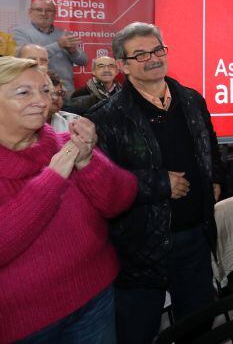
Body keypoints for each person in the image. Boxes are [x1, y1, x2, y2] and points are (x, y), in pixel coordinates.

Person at [87, 22, 224, 343]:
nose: (153, 58)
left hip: (194, 236)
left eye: (158, 50)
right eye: (141, 54)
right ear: (122, 65)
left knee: (199, 324)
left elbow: (211, 144)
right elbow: (102, 183)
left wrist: (216, 177)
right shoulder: (106, 116)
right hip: (139, 246)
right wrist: (157, 183)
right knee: (137, 331)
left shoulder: (191, 99)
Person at [0, 56, 136, 343]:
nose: (41, 100)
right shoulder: (60, 159)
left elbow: (120, 200)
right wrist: (52, 179)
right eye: (24, 92)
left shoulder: (66, 144)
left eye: (46, 90)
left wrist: (88, 161)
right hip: (25, 323)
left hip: (95, 296)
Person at [11, 0, 87, 93]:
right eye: (38, 10)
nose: (43, 13)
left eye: (48, 10)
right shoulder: (19, 32)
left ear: (55, 14)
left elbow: (83, 61)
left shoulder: (63, 33)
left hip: (66, 90)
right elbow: (23, 59)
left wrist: (73, 51)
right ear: (30, 12)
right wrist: (59, 45)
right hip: (37, 89)